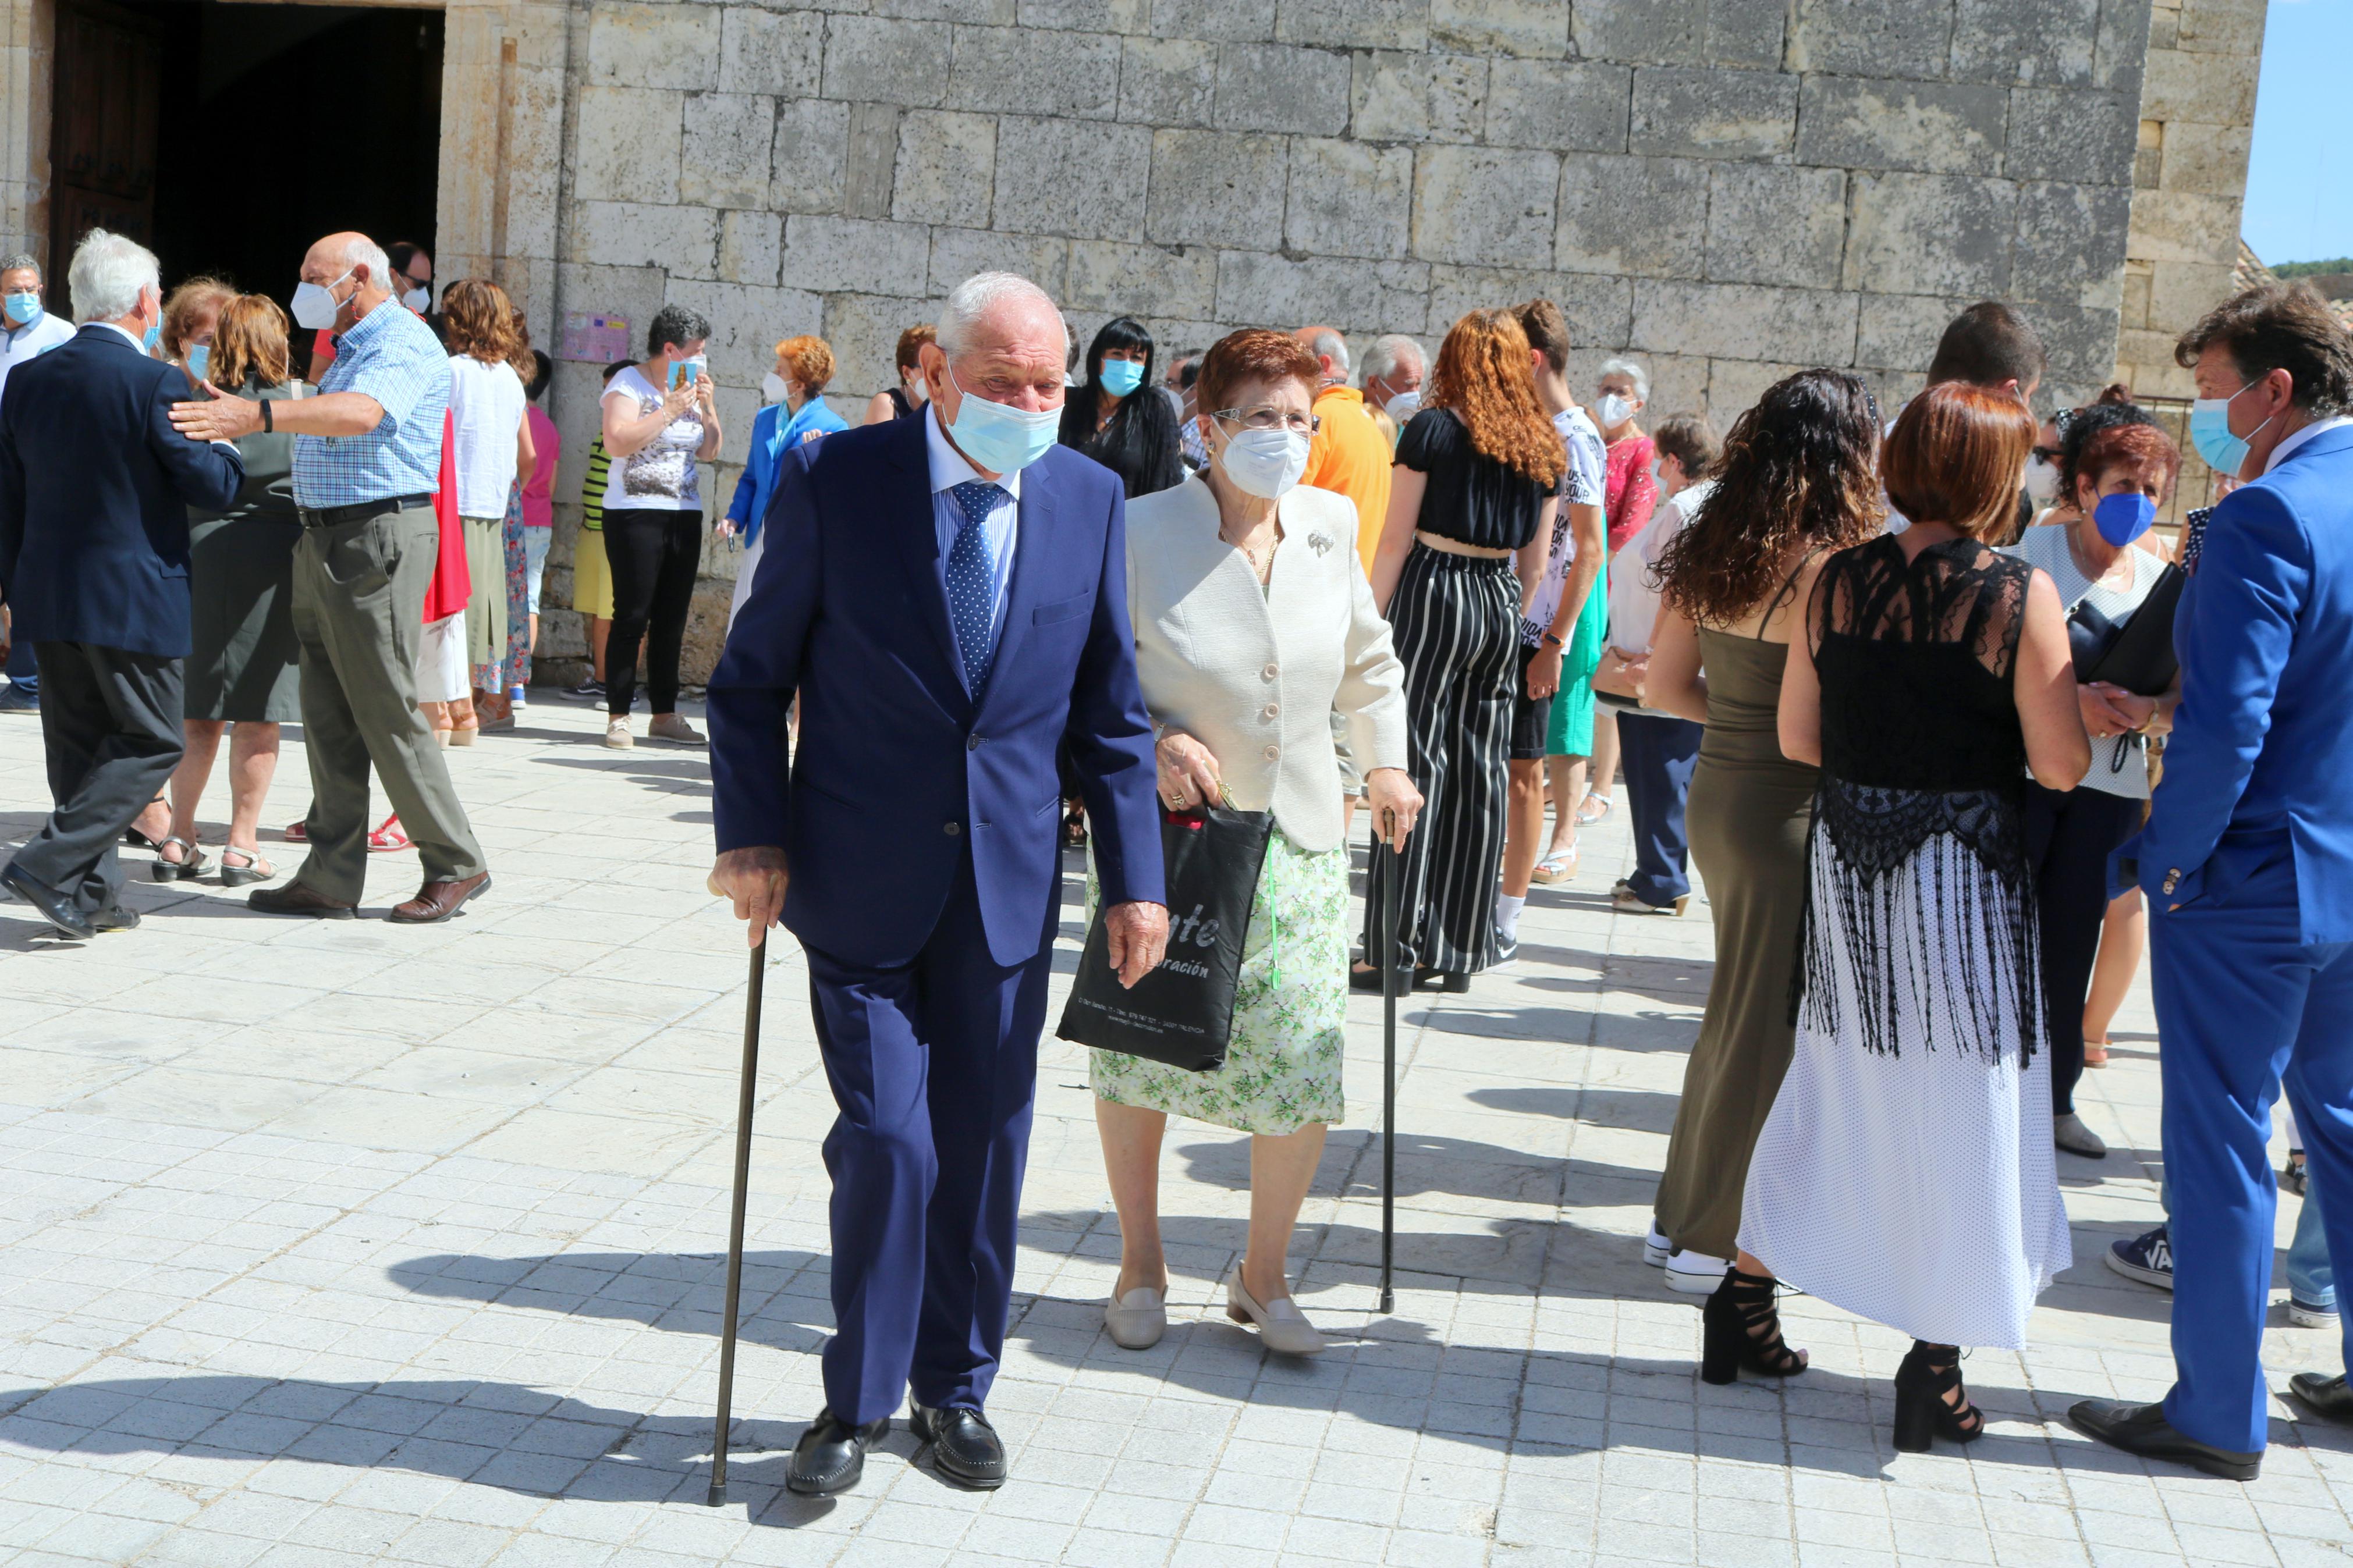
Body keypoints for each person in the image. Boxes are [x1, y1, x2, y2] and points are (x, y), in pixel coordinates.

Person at [706, 271, 1167, 1496]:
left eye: (1047, 383)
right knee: (889, 1143)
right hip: (854, 880)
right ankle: (851, 1400)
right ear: (937, 376)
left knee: (983, 1146)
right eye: (1003, 381)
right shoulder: (836, 480)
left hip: (1010, 884)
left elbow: (1109, 718)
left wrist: (1138, 884)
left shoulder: (1086, 497)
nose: (1029, 403)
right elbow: (748, 682)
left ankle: (953, 1388)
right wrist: (751, 836)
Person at [1736, 383, 2088, 1450]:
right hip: (1962, 881)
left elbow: (1799, 737)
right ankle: (1932, 1366)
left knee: (1837, 1077)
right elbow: (2062, 763)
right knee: (1965, 1102)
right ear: (1993, 474)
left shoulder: (1833, 579)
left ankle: (1741, 1304)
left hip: (1853, 864)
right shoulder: (2016, 594)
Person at [1093, 328, 1420, 1356]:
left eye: (1299, 420)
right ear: (1208, 427)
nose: (1283, 437)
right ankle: (1140, 1264)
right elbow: (1090, 676)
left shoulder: (1326, 522)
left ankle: (1262, 1275)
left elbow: (1369, 658)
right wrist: (1149, 740)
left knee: (1299, 1060)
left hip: (1303, 835)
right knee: (1138, 1048)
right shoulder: (1141, 529)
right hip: (1177, 839)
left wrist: (1386, 763)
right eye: (1260, 418)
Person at [2072, 284, 2353, 1479]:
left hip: (2248, 879)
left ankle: (2213, 1410)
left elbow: (2234, 724)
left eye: (2212, 393)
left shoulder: (2261, 515)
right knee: (2339, 1130)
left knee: (2220, 1138)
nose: (2209, 420)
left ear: (2273, 388)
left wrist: (2165, 858)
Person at [169, 230, 491, 925]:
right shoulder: (353, 348)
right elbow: (329, 405)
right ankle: (330, 872)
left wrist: (255, 412)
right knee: (327, 714)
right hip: (327, 539)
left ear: (361, 278)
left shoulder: (400, 340)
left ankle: (455, 862)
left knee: (384, 707)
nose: (306, 290)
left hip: (374, 537)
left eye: (318, 279)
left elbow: (362, 414)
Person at [1642, 371, 1884, 1296]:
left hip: (1717, 793)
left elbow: (1661, 688)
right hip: (1790, 806)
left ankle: (1679, 1220)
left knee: (1732, 1015)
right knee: (1762, 1027)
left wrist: (1737, 730)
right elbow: (1827, 719)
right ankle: (1711, 1238)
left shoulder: (1713, 537)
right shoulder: (1831, 561)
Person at [0, 230, 244, 937]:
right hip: (134, 592)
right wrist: (223, 430)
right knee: (151, 739)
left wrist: (14, 583)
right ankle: (50, 862)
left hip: (48, 588)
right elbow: (214, 484)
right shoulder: (157, 381)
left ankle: (95, 894)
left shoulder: (29, 377)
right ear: (145, 301)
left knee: (79, 747)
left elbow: (9, 493)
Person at [1359, 310, 1561, 993]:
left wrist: (1370, 620)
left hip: (1433, 588)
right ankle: (1462, 945)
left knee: (1413, 762)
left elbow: (1394, 539)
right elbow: (1535, 564)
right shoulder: (1540, 441)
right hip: (1498, 598)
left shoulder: (1433, 428)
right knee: (1480, 773)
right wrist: (1510, 614)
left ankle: (1393, 946)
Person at [2005, 414, 2182, 1160]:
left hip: (2106, 792)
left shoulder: (2163, 585)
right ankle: (1980, 1089)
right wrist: (2063, 702)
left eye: (2149, 489)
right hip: (2017, 777)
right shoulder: (2028, 556)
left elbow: (2182, 696)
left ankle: (2053, 1099)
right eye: (2120, 486)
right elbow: (1986, 663)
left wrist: (2149, 711)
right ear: (2082, 487)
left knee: (2070, 939)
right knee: (1998, 935)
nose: (2135, 500)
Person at [153, 295, 308, 887]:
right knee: (260, 715)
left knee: (198, 713)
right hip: (275, 562)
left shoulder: (192, 401)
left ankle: (179, 838)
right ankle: (242, 845)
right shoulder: (300, 403)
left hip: (199, 557)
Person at [1497, 300, 1605, 949]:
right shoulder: (1532, 426)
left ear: (1532, 360)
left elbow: (1589, 549)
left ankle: (1508, 914)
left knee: (1524, 773)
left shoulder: (1575, 435)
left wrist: (1555, 644)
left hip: (1537, 633)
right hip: (1504, 622)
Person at [1596, 413, 1719, 916]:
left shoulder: (1689, 508)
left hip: (1656, 659)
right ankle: (1654, 869)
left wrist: (1651, 651)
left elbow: (1676, 586)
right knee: (1652, 771)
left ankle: (1664, 880)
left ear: (1673, 460)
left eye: (1657, 462)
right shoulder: (1694, 505)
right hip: (1656, 654)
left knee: (1661, 771)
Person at [599, 305, 719, 749]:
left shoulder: (690, 388)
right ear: (670, 349)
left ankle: (665, 714)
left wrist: (707, 408)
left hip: (684, 511)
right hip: (635, 510)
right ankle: (618, 715)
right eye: (695, 351)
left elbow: (708, 452)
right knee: (632, 614)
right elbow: (617, 440)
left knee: (672, 618)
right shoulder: (627, 384)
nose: (701, 359)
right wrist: (668, 410)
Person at [440, 280, 533, 733]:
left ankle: (453, 709)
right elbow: (524, 455)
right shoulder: (511, 379)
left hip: (455, 502)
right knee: (480, 611)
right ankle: (469, 706)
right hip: (494, 505)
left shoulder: (452, 370)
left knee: (448, 610)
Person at [1575, 357, 1658, 827]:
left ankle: (1602, 786)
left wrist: (1595, 570)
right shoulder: (1587, 440)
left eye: (1621, 390)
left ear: (1638, 402)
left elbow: (1632, 524)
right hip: (1570, 575)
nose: (1610, 395)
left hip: (1605, 581)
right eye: (1604, 386)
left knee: (1605, 686)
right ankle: (1566, 770)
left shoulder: (1642, 451)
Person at [723, 333, 849, 626]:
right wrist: (734, 518)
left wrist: (821, 459)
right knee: (743, 619)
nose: (773, 375)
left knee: (775, 624)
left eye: (781, 371)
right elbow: (753, 477)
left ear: (800, 384)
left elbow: (834, 496)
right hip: (758, 535)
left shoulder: (833, 427)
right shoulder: (765, 417)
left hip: (795, 541)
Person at [0, 254, 79, 717]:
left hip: (33, 463)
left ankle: (30, 683)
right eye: (15, 290)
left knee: (25, 568)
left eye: (32, 288)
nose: (25, 297)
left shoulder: (63, 336)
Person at [1295, 326, 1393, 577]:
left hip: (1321, 581)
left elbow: (1285, 504)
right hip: (1358, 585)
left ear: (1323, 364)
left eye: (1292, 361)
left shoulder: (1317, 418)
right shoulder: (1368, 423)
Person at [560, 359, 631, 703]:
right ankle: (601, 678)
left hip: (612, 531)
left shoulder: (629, 432)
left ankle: (619, 684)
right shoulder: (606, 430)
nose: (606, 396)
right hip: (592, 529)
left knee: (612, 612)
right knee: (596, 610)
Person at [1058, 317, 1183, 499]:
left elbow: (1166, 479)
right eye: (1117, 354)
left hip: (1128, 523)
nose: (1126, 363)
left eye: (1136, 358)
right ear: (1098, 359)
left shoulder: (1154, 408)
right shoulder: (1070, 403)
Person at [306, 241, 432, 383]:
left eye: (427, 285)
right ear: (392, 276)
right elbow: (318, 374)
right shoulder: (344, 315)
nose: (424, 292)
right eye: (419, 285)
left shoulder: (413, 323)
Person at [518, 350, 559, 684]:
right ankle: (520, 681)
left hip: (514, 515)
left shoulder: (514, 417)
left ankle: (499, 680)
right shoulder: (549, 427)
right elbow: (553, 484)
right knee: (531, 599)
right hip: (541, 518)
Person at [159, 278, 233, 381]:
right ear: (182, 342)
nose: (219, 348)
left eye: (225, 340)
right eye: (209, 339)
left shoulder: (238, 390)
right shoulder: (160, 387)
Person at [862, 324, 934, 425]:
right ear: (907, 373)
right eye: (926, 369)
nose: (935, 375)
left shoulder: (945, 407)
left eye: (940, 368)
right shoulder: (887, 404)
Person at [1360, 332, 1426, 426]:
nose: (1414, 394)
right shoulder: (1349, 420)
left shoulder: (1411, 427)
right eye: (1407, 385)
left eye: (1418, 384)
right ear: (1374, 384)